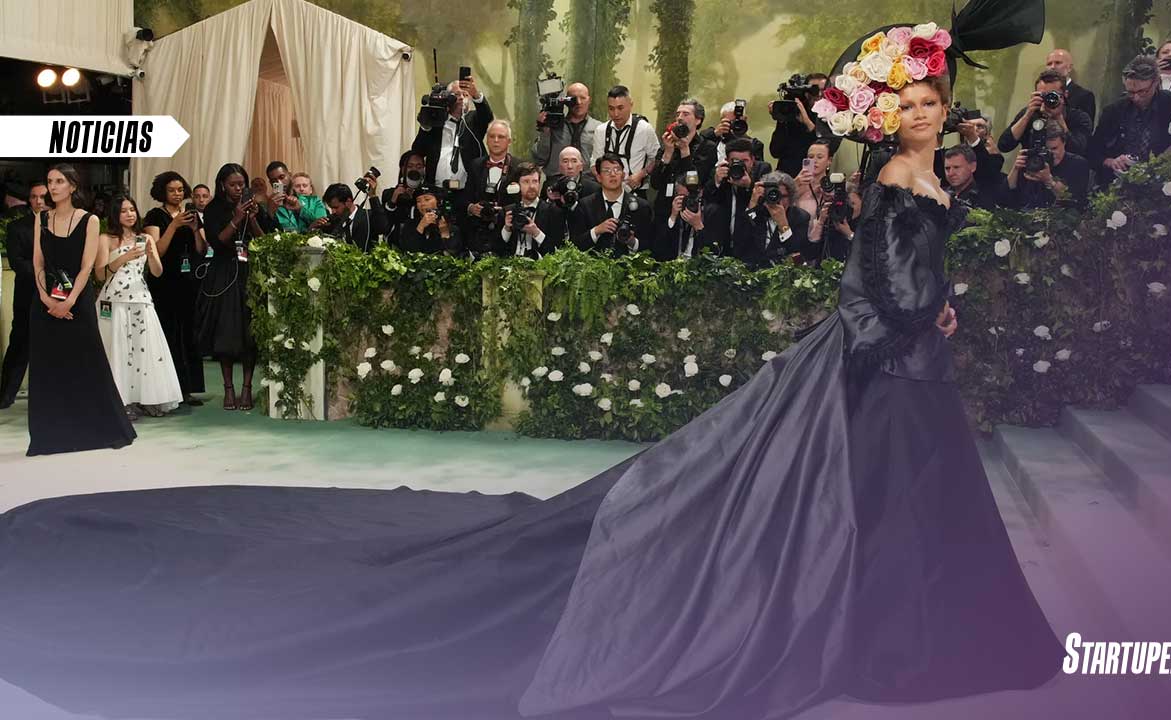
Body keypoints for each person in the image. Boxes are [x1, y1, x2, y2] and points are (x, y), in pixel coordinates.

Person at [0, 39, 1062, 718]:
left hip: (904, 355)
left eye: (935, 102)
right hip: (886, 358)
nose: (927, 114)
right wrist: (919, 312)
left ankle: (891, 614)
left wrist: (936, 305)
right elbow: (878, 277)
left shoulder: (928, 173)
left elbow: (906, 273)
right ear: (889, 118)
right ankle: (883, 622)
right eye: (913, 103)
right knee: (852, 492)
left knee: (884, 495)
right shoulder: (894, 173)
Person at [25, 164, 135, 454]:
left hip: (78, 302)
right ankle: (51, 434)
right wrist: (46, 299)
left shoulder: (90, 220)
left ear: (73, 186)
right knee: (48, 368)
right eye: (50, 181)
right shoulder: (41, 218)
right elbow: (38, 262)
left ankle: (96, 429)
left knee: (87, 363)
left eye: (59, 181)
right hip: (45, 301)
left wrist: (70, 301)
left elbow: (87, 266)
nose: (53, 187)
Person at [196, 162, 278, 411]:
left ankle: (247, 388)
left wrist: (252, 218)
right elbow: (217, 241)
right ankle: (228, 388)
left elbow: (264, 240)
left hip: (249, 271)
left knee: (249, 331)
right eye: (233, 185)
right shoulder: (214, 208)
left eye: (241, 184)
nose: (238, 189)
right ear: (222, 185)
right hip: (224, 272)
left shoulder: (254, 206)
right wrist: (237, 218)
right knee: (226, 332)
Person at [95, 195, 183, 420]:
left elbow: (157, 272)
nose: (129, 214)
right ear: (115, 214)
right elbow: (100, 274)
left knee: (144, 349)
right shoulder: (105, 239)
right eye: (123, 211)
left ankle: (147, 398)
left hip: (141, 298)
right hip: (114, 301)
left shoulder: (146, 237)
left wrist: (152, 255)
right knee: (118, 350)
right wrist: (124, 257)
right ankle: (121, 401)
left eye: (132, 209)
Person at [141, 171, 206, 406]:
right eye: (171, 190)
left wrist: (195, 228)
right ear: (162, 192)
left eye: (180, 190)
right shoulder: (155, 215)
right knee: (168, 332)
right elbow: (156, 250)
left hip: (188, 280)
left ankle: (189, 388)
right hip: (164, 281)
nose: (177, 194)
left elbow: (201, 249)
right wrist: (174, 225)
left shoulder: (190, 214)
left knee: (189, 333)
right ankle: (168, 388)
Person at [1090, 55, 1171, 187]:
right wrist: (1111, 162)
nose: (1137, 98)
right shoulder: (1114, 111)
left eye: (1143, 91)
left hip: (1162, 182)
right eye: (1131, 92)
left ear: (1156, 82)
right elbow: (1093, 151)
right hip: (1118, 182)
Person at [0, 181, 45, 408]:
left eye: (42, 197)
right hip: (27, 295)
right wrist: (44, 276)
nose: (38, 201)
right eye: (34, 196)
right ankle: (5, 396)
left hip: (60, 296)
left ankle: (55, 398)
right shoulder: (17, 227)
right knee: (19, 345)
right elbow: (17, 262)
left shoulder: (64, 225)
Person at [412, 73, 494, 188]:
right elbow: (418, 151)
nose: (461, 97)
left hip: (467, 189)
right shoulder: (437, 120)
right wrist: (425, 127)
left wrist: (475, 94)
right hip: (436, 188)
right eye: (456, 94)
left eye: (465, 95)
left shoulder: (473, 120)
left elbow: (487, 115)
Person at [570, 152, 653, 255]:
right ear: (599, 177)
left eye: (617, 170)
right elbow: (575, 244)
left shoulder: (641, 206)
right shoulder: (584, 205)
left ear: (623, 175)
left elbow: (650, 246)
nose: (613, 174)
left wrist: (632, 242)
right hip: (592, 263)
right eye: (607, 171)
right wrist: (596, 231)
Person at [998, 69, 1093, 157]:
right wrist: (1027, 115)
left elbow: (1078, 150)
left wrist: (1058, 118)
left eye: (1053, 95)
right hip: (1032, 166)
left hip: (1065, 169)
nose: (1048, 100)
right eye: (1043, 95)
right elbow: (1004, 146)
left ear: (1065, 95)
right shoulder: (1029, 113)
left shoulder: (1079, 117)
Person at [463, 119, 522, 256]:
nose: (496, 141)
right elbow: (466, 196)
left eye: (501, 137)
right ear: (486, 140)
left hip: (507, 231)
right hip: (478, 230)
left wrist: (505, 211)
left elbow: (523, 201)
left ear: (509, 141)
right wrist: (471, 208)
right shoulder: (475, 165)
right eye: (492, 136)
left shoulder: (519, 167)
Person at [1001, 123, 1091, 210]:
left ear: (1064, 143)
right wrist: (1015, 169)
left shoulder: (1078, 164)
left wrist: (1049, 181)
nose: (1050, 153)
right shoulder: (1032, 159)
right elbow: (1005, 195)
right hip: (1026, 213)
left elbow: (1073, 200)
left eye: (1054, 148)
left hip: (1060, 216)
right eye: (1045, 150)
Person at [732, 171, 810, 269]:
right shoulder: (756, 213)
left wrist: (783, 225)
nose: (778, 200)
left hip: (781, 273)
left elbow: (797, 254)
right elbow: (739, 245)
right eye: (773, 194)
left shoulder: (800, 217)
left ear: (790, 197)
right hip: (750, 271)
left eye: (783, 196)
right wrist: (752, 203)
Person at [590, 85, 660, 192]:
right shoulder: (601, 130)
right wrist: (604, 180)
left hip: (635, 191)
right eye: (611, 109)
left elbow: (656, 158)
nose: (616, 114)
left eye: (620, 108)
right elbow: (595, 163)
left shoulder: (644, 129)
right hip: (606, 192)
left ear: (631, 105)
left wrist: (642, 174)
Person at [531, 81, 601, 178]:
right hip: (556, 180)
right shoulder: (553, 127)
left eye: (583, 98)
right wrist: (545, 131)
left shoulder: (599, 128)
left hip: (588, 181)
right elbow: (539, 159)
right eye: (573, 99)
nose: (578, 102)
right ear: (566, 101)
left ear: (589, 100)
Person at [499, 162, 566, 259]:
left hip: (541, 264)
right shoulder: (507, 212)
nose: (531, 186)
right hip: (510, 263)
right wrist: (507, 229)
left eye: (535, 181)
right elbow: (497, 250)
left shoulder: (553, 211)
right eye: (526, 182)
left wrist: (536, 233)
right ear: (517, 184)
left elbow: (557, 251)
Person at [767, 72, 827, 176]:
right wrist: (781, 117)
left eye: (823, 90)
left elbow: (827, 148)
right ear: (806, 93)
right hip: (786, 177)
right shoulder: (793, 113)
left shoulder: (829, 117)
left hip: (811, 176)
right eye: (814, 90)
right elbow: (775, 151)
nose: (820, 94)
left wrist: (807, 122)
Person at [316, 179, 389, 252]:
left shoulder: (367, 216)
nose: (333, 211)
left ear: (348, 202)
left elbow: (382, 228)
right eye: (331, 208)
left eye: (336, 207)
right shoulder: (332, 220)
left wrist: (372, 196)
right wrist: (314, 225)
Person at [265, 161, 327, 232]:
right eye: (274, 181)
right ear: (271, 183)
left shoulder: (314, 201)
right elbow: (269, 234)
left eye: (282, 177)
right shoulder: (271, 205)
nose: (279, 183)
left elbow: (323, 225)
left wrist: (300, 209)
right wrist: (270, 214)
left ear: (290, 175)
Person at [393, 189, 457, 255]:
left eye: (427, 199)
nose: (422, 204)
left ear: (439, 202)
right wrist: (421, 226)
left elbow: (453, 252)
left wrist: (444, 233)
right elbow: (409, 250)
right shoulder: (410, 224)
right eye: (418, 201)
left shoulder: (449, 223)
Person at [1046, 48, 1097, 123]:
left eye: (1058, 63)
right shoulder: (1043, 94)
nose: (1052, 67)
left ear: (1069, 68)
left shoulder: (1084, 96)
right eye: (1049, 64)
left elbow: (1085, 128)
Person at [943, 145, 998, 210]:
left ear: (973, 167)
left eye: (956, 167)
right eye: (947, 168)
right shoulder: (940, 194)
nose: (951, 173)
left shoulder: (987, 197)